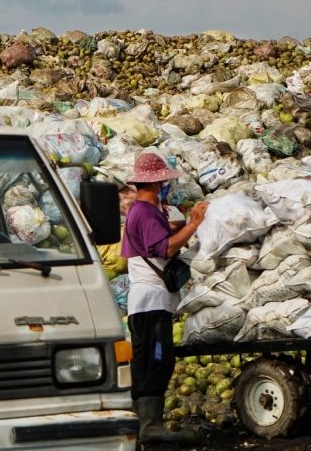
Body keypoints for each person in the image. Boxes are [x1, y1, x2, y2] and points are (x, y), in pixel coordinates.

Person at [121, 151, 208, 446]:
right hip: (151, 303)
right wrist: (194, 224)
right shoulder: (144, 212)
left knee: (147, 362)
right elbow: (164, 249)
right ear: (158, 183)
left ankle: (141, 425)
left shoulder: (145, 211)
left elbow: (156, 241)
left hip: (146, 303)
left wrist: (177, 226)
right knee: (158, 361)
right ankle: (150, 426)